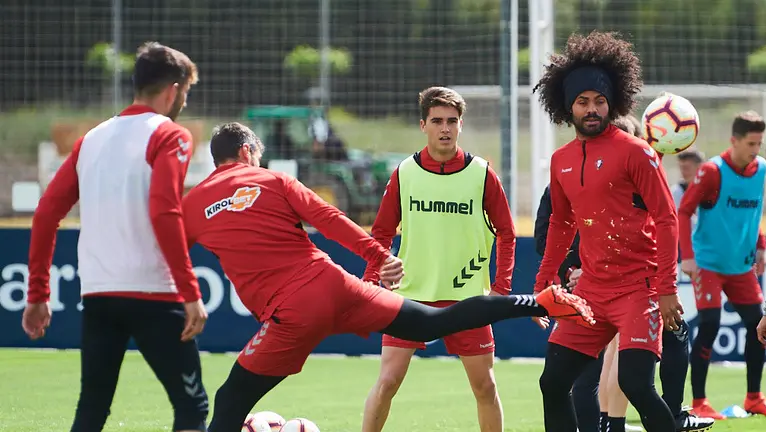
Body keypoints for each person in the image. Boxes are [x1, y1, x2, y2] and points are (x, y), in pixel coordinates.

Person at [179, 122, 595, 432]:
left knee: (229, 399)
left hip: (290, 314)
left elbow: (170, 253)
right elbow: (331, 219)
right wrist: (379, 257)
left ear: (218, 158)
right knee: (435, 320)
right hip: (335, 284)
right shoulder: (274, 178)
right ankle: (537, 302)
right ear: (249, 151)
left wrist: (185, 296)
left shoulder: (194, 204)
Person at [22, 42, 209, 432]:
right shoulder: (170, 135)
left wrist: (38, 294)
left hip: (99, 296)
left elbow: (45, 215)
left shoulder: (91, 139)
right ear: (173, 90)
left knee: (92, 408)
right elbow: (164, 210)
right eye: (186, 94)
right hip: (155, 295)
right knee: (192, 407)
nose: (184, 104)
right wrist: (190, 291)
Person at [531, 30, 685, 432]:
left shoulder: (637, 152)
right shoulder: (560, 160)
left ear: (612, 103)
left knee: (634, 382)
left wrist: (667, 288)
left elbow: (667, 219)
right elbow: (562, 224)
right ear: (568, 107)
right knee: (553, 382)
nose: (592, 109)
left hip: (640, 288)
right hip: (591, 291)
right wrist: (545, 280)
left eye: (600, 101)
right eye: (583, 102)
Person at [360, 87, 514, 432]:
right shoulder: (404, 172)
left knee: (485, 387)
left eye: (452, 121)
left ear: (461, 126)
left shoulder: (482, 173)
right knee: (387, 383)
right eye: (437, 121)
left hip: (468, 299)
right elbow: (381, 233)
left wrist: (501, 288)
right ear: (423, 125)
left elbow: (506, 233)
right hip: (411, 296)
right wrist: (371, 282)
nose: (445, 128)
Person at [678, 111, 766, 419]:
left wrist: (761, 247)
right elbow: (683, 211)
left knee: (761, 328)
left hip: (741, 267)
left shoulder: (762, 169)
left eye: (759, 143)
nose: (755, 150)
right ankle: (700, 401)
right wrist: (687, 256)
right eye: (750, 143)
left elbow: (752, 214)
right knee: (709, 326)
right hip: (708, 265)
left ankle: (754, 397)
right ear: (734, 141)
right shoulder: (713, 171)